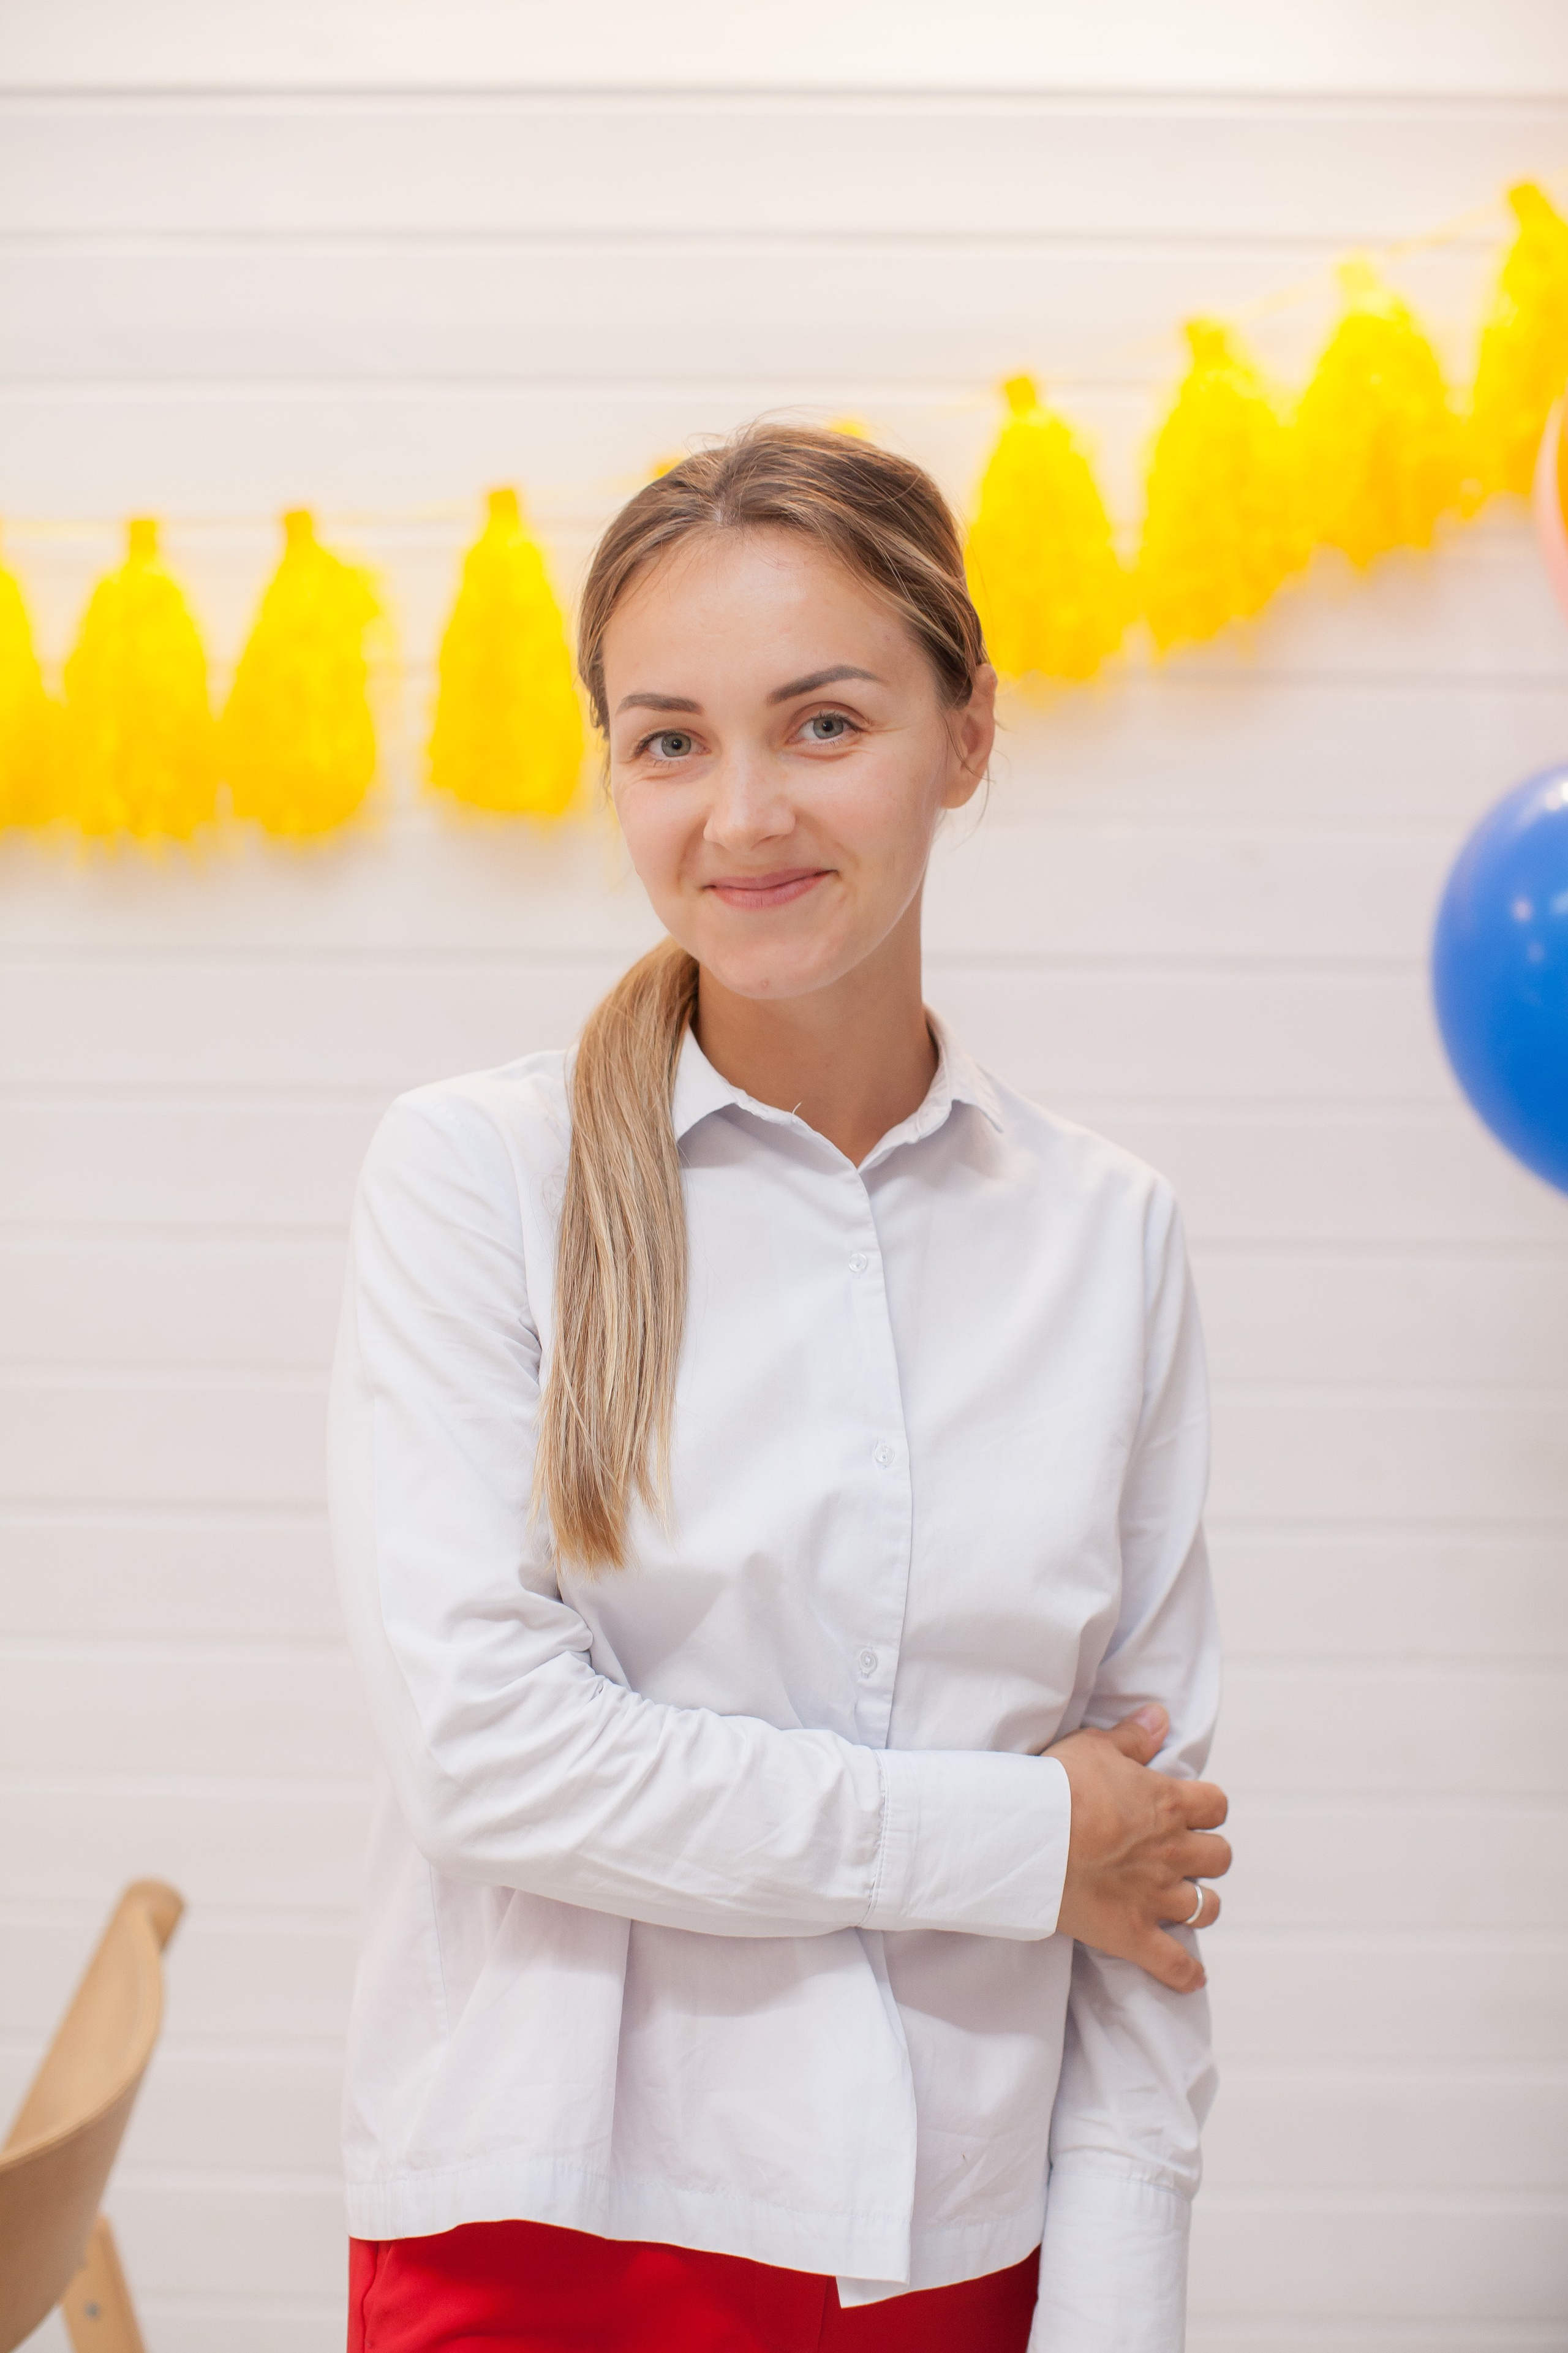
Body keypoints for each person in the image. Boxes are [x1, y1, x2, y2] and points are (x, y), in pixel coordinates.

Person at [330, 425, 1230, 2353]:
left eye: (824, 724)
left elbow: (1148, 1867)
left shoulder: (1108, 1233)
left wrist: (1123, 2308)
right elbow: (492, 1758)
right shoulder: (477, 1177)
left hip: (958, 2254)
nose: (742, 813)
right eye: (670, 740)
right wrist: (1020, 1843)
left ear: (967, 736)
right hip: (539, 2248)